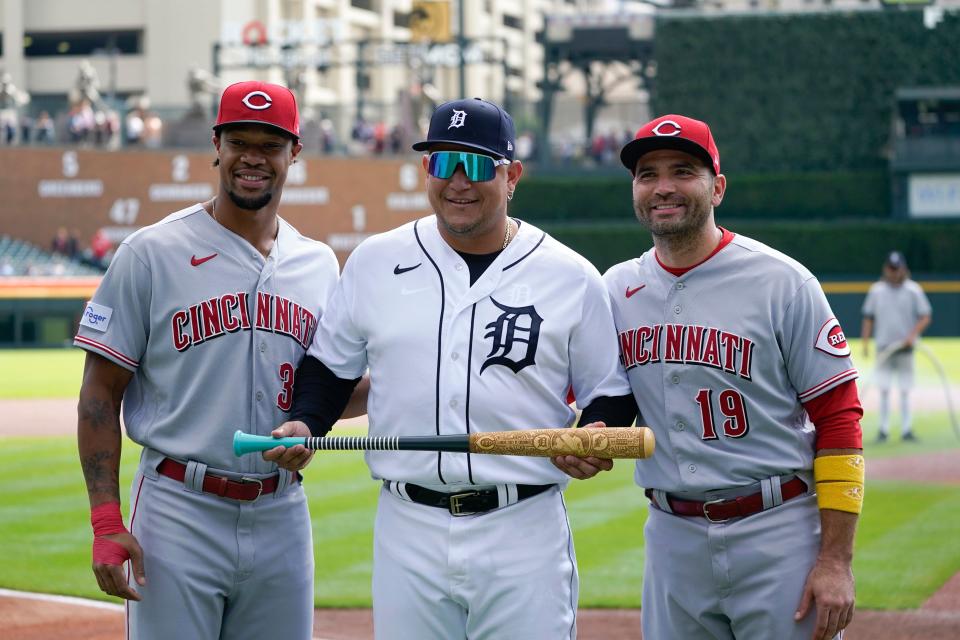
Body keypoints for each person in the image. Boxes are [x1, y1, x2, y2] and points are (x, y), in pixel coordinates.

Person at [271, 97, 636, 639]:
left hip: (522, 524)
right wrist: (305, 421)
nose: (458, 181)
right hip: (408, 526)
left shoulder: (571, 276)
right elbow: (329, 369)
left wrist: (592, 437)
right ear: (426, 170)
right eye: (444, 162)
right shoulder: (375, 261)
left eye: (477, 165)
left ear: (512, 175)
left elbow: (608, 393)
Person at [74, 80, 346, 639]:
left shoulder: (317, 264)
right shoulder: (152, 253)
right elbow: (100, 394)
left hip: (281, 512)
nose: (253, 158)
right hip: (179, 509)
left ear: (294, 152)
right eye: (239, 141)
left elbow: (331, 386)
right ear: (215, 146)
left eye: (269, 145)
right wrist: (105, 520)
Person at [604, 114, 864, 640]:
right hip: (671, 536)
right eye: (647, 175)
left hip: (777, 529)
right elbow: (603, 405)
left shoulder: (782, 282)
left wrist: (835, 560)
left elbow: (839, 418)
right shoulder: (615, 289)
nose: (663, 188)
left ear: (717, 187)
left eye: (683, 171)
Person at [861, 250, 932, 442]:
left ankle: (906, 429)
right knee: (883, 388)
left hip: (906, 348)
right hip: (884, 347)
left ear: (903, 269)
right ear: (886, 269)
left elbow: (925, 315)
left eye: (897, 269)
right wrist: (865, 342)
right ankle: (883, 429)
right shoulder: (876, 290)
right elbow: (868, 317)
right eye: (891, 269)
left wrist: (912, 335)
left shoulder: (913, 290)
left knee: (905, 388)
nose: (894, 272)